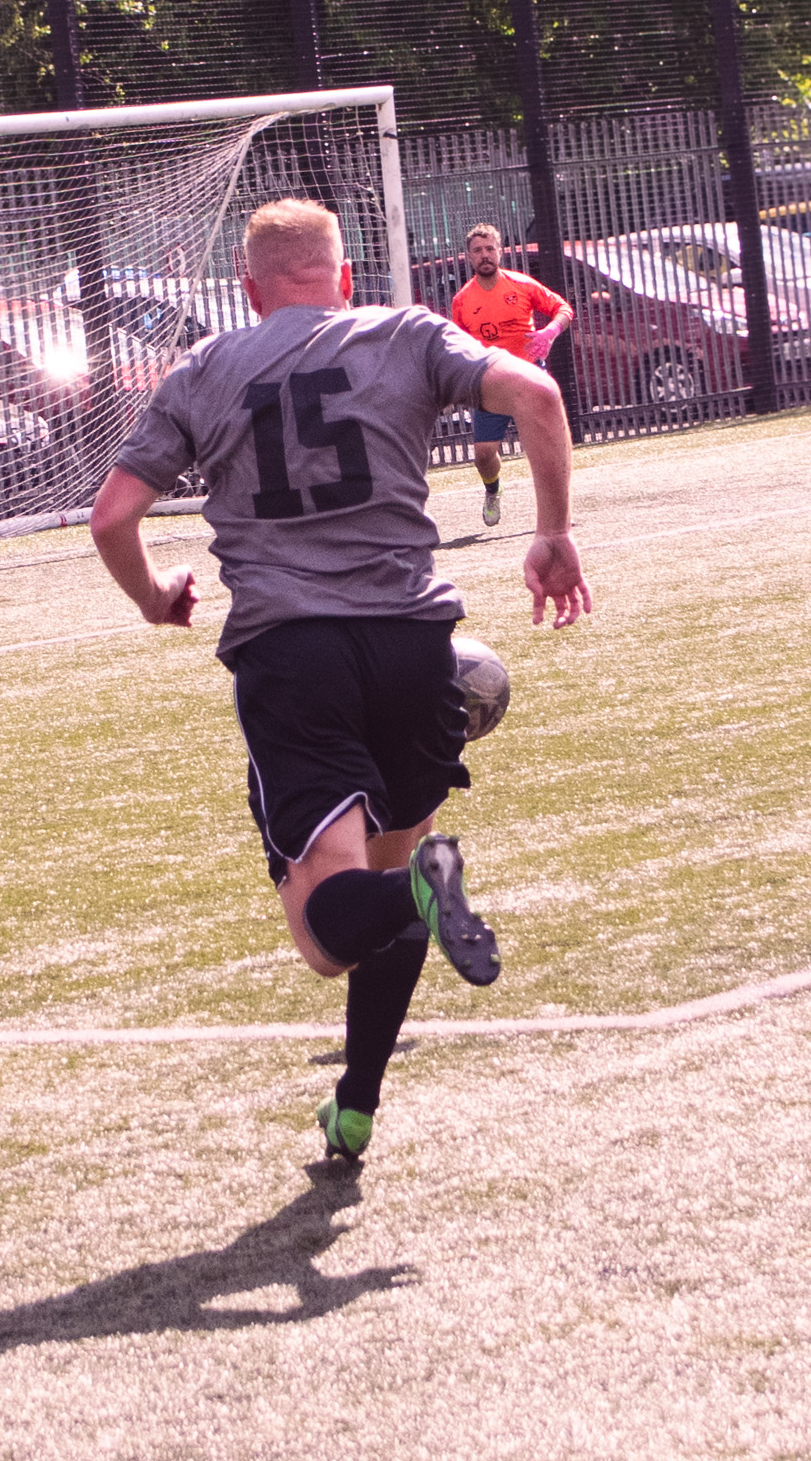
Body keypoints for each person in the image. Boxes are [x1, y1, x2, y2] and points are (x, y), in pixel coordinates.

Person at [91, 199, 593, 1165]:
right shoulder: (404, 332)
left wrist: (157, 598)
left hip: (294, 656)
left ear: (249, 291)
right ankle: (354, 1107)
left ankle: (417, 893)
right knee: (396, 872)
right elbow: (537, 394)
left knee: (327, 936)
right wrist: (553, 534)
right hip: (416, 645)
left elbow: (113, 517)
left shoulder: (204, 370)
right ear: (346, 278)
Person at [447, 222, 574, 531]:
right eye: (478, 250)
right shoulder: (463, 301)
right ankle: (493, 490)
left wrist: (550, 331)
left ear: (500, 251)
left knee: (547, 448)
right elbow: (459, 345)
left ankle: (559, 512)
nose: (484, 255)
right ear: (469, 257)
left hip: (529, 377)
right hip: (489, 383)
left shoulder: (522, 285)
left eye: (489, 248)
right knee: (483, 455)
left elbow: (563, 308)